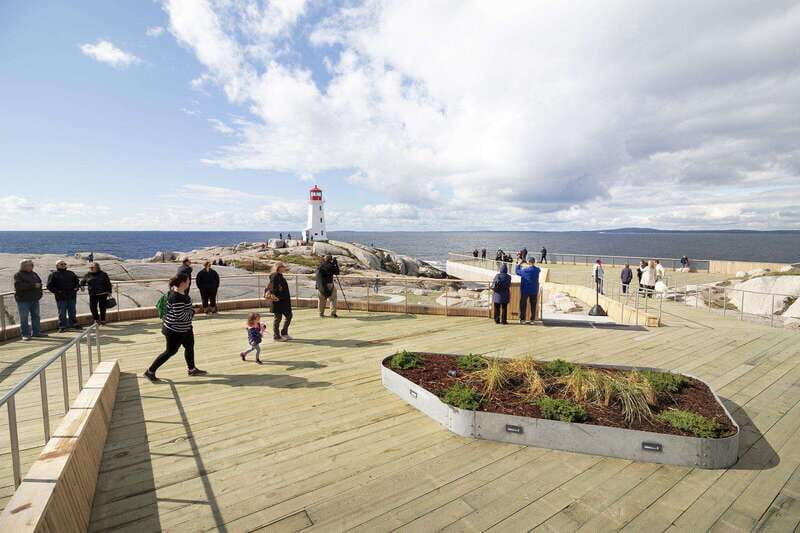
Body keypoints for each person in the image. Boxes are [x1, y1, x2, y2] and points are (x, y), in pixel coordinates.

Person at [144, 273, 207, 382]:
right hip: (175, 330)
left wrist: (190, 308)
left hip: (185, 328)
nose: (189, 282)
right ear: (182, 283)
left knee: (189, 346)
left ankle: (191, 369)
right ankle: (150, 371)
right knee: (170, 351)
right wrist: (193, 311)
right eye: (188, 281)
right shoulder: (176, 297)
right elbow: (180, 315)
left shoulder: (179, 293)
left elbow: (181, 310)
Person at [14, 260, 46, 341]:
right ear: (23, 266)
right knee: (24, 318)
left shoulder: (34, 273)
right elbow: (19, 287)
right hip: (23, 300)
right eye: (29, 265)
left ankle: (37, 332)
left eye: (31, 265)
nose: (31, 266)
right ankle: (25, 334)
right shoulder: (18, 275)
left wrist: (39, 293)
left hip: (35, 299)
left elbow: (39, 282)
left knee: (36, 316)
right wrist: (33, 285)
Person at [47, 260, 82, 332]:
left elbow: (77, 282)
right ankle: (62, 326)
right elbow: (49, 286)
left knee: (72, 311)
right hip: (61, 297)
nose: (63, 265)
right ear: (57, 266)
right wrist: (58, 292)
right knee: (62, 312)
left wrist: (76, 288)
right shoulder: (53, 274)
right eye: (61, 264)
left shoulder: (71, 273)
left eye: (64, 264)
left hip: (71, 296)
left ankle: (73, 324)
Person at [265, 262, 292, 341]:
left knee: (288, 316)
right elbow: (274, 288)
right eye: (283, 266)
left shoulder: (279, 276)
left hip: (283, 300)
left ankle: (284, 333)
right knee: (278, 318)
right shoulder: (275, 275)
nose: (284, 267)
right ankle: (276, 336)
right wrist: (275, 296)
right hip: (278, 301)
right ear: (279, 267)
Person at [515, 258, 541, 324]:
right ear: (534, 262)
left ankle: (522, 319)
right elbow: (537, 269)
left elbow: (517, 271)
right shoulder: (537, 270)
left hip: (525, 290)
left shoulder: (525, 270)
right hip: (534, 290)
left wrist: (518, 264)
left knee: (523, 305)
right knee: (533, 305)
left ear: (528, 262)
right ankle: (532, 320)